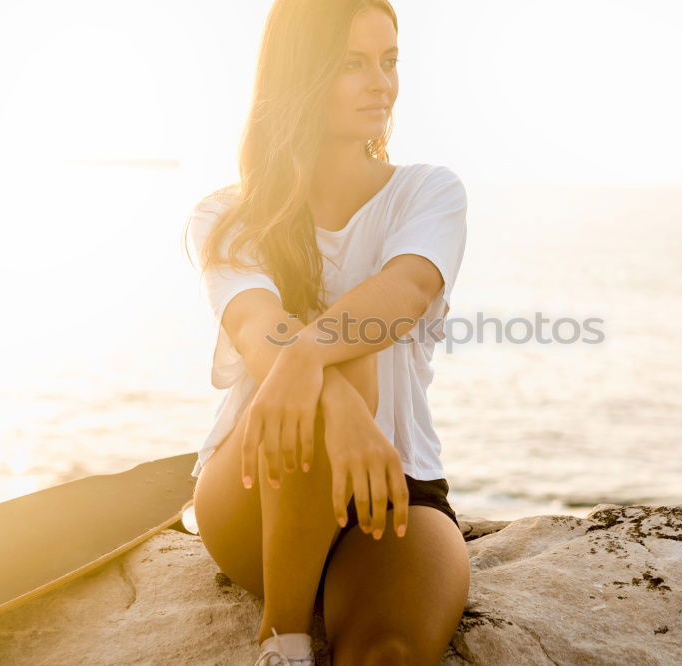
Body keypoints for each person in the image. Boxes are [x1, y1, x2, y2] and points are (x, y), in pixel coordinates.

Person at [183, 1, 470, 664]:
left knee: (391, 652)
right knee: (337, 373)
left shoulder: (429, 193)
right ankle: (281, 641)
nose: (381, 83)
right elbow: (257, 328)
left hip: (394, 481)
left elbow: (406, 291)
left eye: (389, 61)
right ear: (302, 74)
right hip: (257, 482)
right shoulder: (227, 216)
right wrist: (331, 395)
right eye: (352, 64)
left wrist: (309, 354)